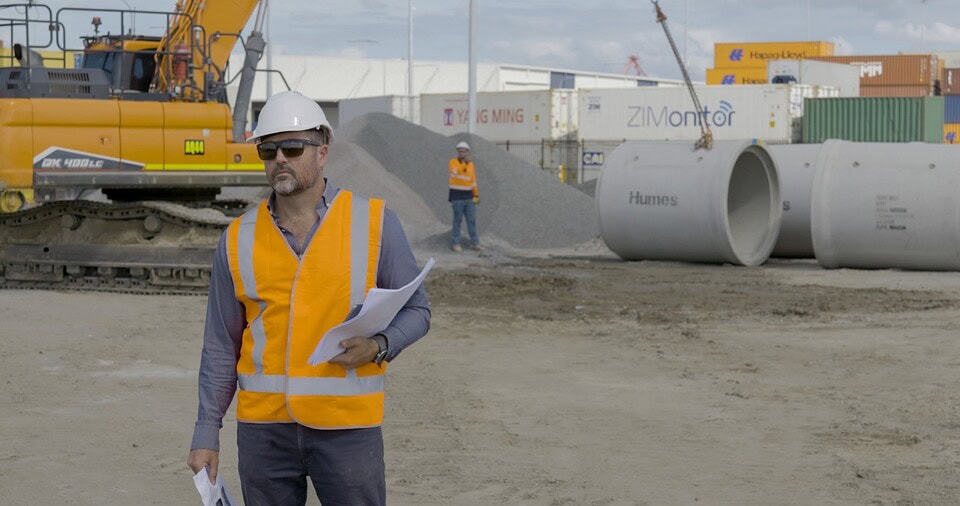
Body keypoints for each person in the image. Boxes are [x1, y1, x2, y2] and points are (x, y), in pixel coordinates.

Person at [186, 90, 431, 506]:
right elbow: (220, 346)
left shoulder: (374, 222)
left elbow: (418, 310)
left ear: (322, 152)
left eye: (293, 146)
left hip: (348, 429)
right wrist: (206, 432)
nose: (279, 157)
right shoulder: (236, 239)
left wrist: (378, 346)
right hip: (264, 433)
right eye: (268, 149)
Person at [448, 140, 482, 252]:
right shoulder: (453, 162)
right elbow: (456, 172)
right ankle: (456, 243)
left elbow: (473, 181)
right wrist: (464, 164)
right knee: (457, 220)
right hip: (457, 196)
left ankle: (475, 243)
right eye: (460, 151)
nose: (462, 153)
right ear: (457, 152)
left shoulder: (471, 165)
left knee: (471, 220)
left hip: (469, 196)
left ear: (467, 152)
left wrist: (476, 195)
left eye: (464, 151)